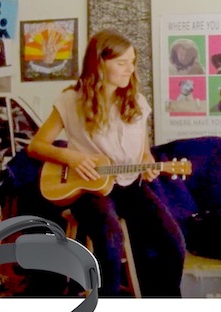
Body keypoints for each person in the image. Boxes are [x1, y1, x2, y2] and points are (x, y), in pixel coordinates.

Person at [28, 29, 185, 297]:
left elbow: (143, 152)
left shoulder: (137, 101)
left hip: (130, 186)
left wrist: (147, 165)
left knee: (173, 243)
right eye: (121, 63)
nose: (130, 69)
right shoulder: (70, 100)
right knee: (110, 239)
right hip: (88, 189)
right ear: (99, 63)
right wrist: (71, 156)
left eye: (132, 62)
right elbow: (35, 146)